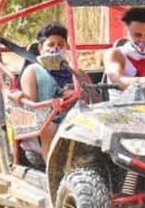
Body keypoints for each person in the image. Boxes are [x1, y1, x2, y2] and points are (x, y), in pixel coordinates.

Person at [9, 22, 88, 160]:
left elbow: (93, 99)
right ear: (41, 48)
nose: (56, 48)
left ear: (66, 47)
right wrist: (59, 102)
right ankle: (54, 174)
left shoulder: (77, 72)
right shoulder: (33, 71)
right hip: (44, 125)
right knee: (50, 128)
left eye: (61, 44)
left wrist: (78, 95)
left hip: (75, 120)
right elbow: (31, 109)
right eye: (51, 45)